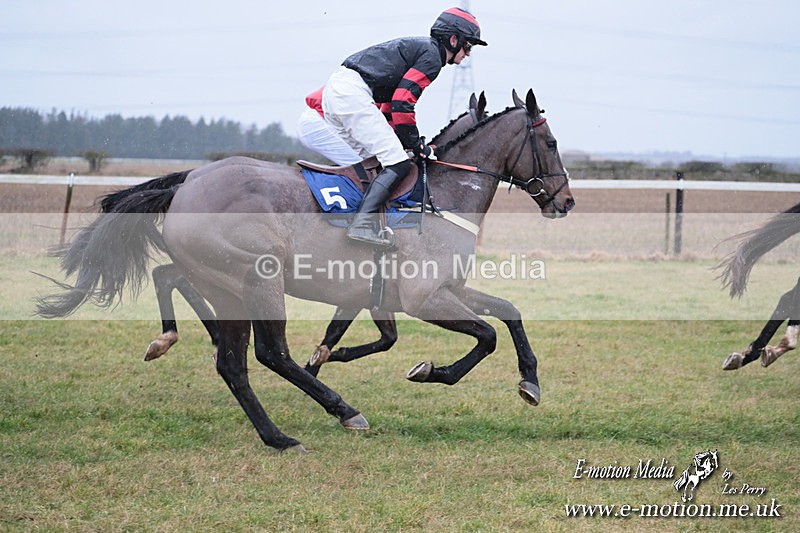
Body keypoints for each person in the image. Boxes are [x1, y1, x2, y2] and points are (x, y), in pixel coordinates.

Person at [309, 7, 487, 246]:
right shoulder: (432, 57)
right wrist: (416, 144)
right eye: (468, 46)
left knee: (374, 161)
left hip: (339, 93)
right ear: (453, 40)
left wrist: (408, 143)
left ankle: (356, 220)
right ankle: (362, 225)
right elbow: (402, 102)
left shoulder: (425, 51)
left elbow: (390, 107)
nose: (468, 53)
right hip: (351, 94)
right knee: (398, 163)